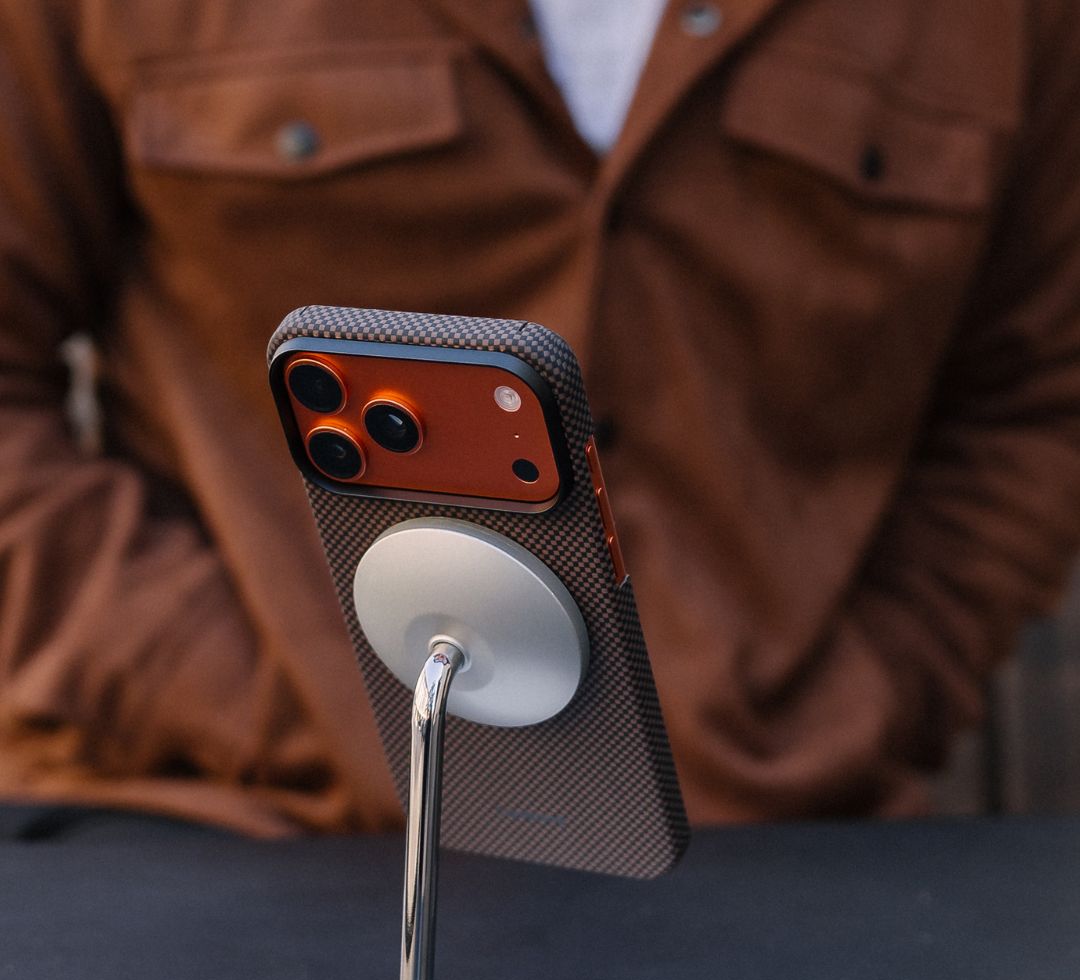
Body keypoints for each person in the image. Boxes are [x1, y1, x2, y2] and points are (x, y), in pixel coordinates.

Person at [1, 0, 1079, 837]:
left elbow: (1036, 399)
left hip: (771, 840)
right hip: (224, 816)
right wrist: (248, 695)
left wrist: (867, 696)